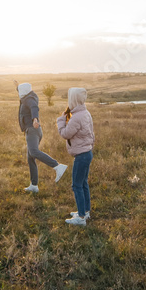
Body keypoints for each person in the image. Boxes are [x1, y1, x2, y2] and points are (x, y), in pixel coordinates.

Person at [15, 81, 68, 192]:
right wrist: (17, 86)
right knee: (30, 158)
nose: (19, 92)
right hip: (34, 130)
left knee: (33, 152)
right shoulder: (28, 96)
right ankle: (34, 185)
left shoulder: (29, 99)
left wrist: (35, 119)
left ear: (24, 91)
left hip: (32, 129)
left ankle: (57, 166)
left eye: (20, 90)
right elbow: (24, 96)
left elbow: (34, 108)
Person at [56, 87, 94, 226]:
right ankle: (85, 211)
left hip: (81, 155)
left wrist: (60, 121)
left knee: (76, 185)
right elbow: (91, 133)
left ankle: (81, 218)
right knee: (83, 183)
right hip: (87, 153)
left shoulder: (76, 117)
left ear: (73, 99)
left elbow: (65, 134)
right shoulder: (85, 113)